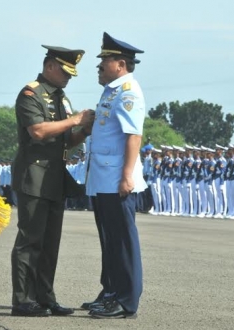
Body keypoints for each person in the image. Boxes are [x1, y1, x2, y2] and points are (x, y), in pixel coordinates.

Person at [10, 45, 94, 317]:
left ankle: (45, 297)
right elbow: (38, 131)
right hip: (34, 176)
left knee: (50, 244)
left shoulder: (61, 98)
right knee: (30, 241)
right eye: (65, 71)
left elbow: (66, 141)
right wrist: (74, 120)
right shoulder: (30, 94)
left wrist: (83, 130)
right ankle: (23, 300)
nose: (69, 77)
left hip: (55, 178)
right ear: (49, 67)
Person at [83, 32, 146, 319]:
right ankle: (110, 292)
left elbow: (133, 136)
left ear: (120, 64)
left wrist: (127, 176)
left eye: (106, 60)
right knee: (109, 240)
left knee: (123, 241)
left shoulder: (128, 91)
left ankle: (126, 300)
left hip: (117, 180)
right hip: (103, 179)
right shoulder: (111, 90)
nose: (102, 65)